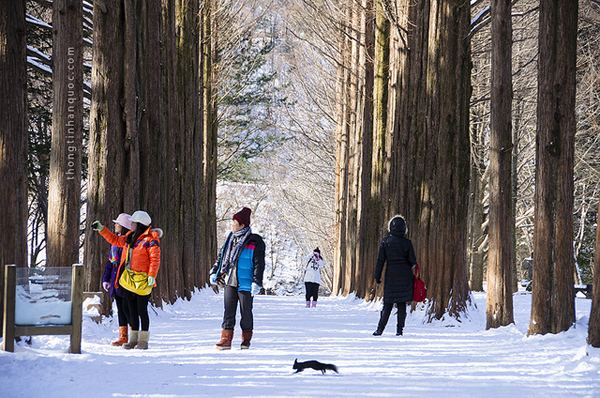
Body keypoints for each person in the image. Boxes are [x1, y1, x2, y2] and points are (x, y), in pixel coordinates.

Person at [92, 210, 162, 349]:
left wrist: (151, 276)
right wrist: (102, 229)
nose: (131, 224)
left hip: (142, 280)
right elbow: (115, 240)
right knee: (131, 310)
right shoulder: (130, 237)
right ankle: (133, 340)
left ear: (139, 224)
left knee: (142, 310)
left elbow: (155, 259)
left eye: (133, 222)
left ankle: (143, 340)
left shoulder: (151, 239)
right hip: (128, 279)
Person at [209, 207, 265, 350]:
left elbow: (259, 263)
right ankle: (225, 339)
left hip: (246, 282)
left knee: (246, 312)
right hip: (230, 280)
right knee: (228, 311)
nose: (232, 225)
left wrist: (257, 281)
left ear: (243, 225)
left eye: (235, 223)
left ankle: (246, 339)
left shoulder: (255, 241)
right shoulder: (230, 239)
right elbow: (221, 258)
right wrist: (214, 272)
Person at [373, 215, 417, 336]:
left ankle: (380, 329)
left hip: (391, 275)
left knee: (388, 303)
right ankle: (399, 330)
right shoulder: (407, 243)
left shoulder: (385, 242)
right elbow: (413, 261)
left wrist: (377, 276)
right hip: (405, 275)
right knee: (402, 304)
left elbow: (380, 261)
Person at [101, 213, 132, 346]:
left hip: (127, 281)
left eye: (117, 223)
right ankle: (123, 337)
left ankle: (134, 335)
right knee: (120, 308)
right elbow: (110, 263)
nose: (115, 225)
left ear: (123, 226)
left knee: (128, 308)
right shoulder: (114, 244)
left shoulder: (128, 242)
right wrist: (106, 279)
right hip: (116, 281)